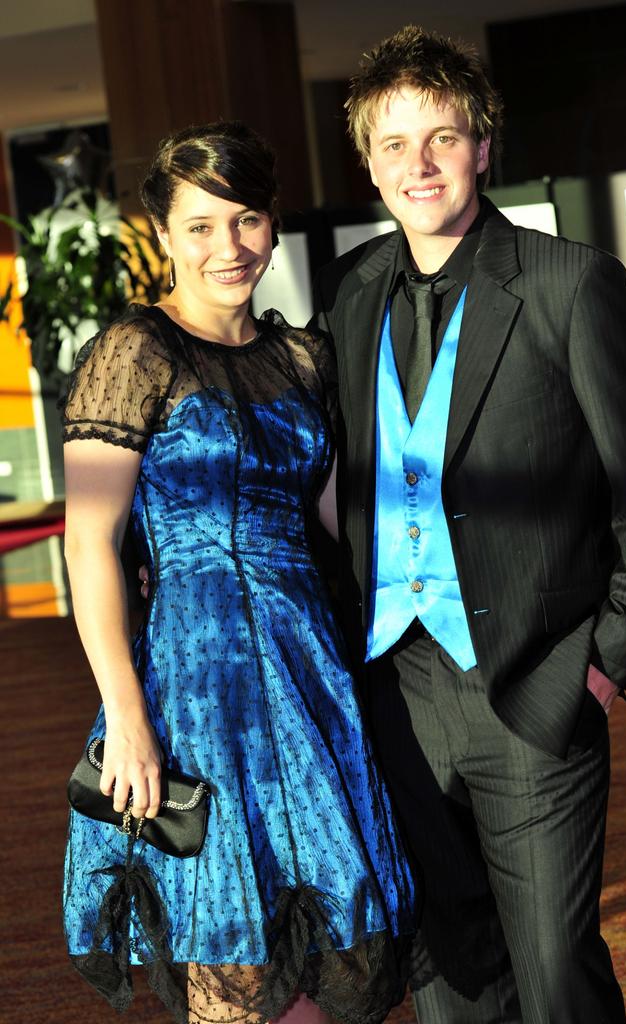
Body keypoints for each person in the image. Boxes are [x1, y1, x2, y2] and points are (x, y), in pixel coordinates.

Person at [310, 25, 626, 1024]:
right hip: (396, 693)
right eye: (395, 144)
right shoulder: (353, 292)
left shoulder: (570, 283)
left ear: (483, 147)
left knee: (556, 972)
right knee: (449, 969)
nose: (420, 164)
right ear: (368, 161)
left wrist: (612, 652)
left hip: (534, 683)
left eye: (441, 137)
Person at [61, 121, 416, 1024]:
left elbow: (346, 521)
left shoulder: (302, 358)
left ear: (273, 225)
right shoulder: (134, 353)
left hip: (309, 677)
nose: (229, 247)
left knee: (322, 941)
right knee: (230, 963)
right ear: (165, 236)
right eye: (202, 226)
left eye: (248, 220)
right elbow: (90, 543)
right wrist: (129, 721)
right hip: (194, 689)